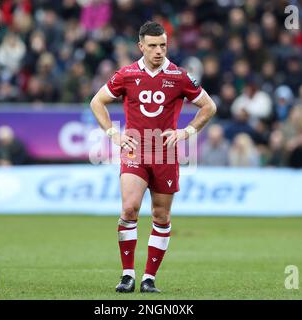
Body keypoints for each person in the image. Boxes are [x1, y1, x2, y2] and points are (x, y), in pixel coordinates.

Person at [90, 21, 216, 293]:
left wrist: (187, 132)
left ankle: (148, 279)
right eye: (153, 46)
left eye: (163, 45)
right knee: (129, 209)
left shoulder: (180, 76)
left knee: (161, 215)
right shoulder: (126, 75)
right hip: (135, 151)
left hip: (165, 155)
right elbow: (96, 101)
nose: (159, 51)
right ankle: (127, 275)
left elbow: (209, 106)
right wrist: (113, 133)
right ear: (141, 47)